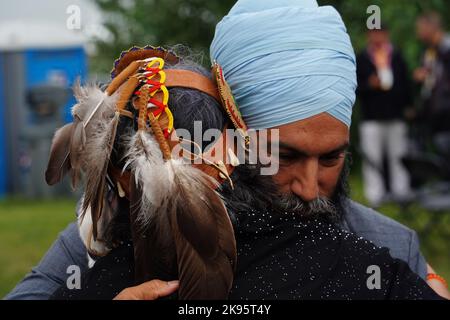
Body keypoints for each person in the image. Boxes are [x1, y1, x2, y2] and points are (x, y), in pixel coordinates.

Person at [5, 0, 449, 300]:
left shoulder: (390, 247)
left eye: (331, 158)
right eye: (284, 156)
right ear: (226, 138)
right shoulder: (111, 236)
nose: (311, 187)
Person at [356, 25, 413, 207]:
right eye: (373, 33)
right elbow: (356, 88)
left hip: (395, 114)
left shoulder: (395, 56)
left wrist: (408, 106)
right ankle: (375, 196)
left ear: (386, 34)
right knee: (372, 158)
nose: (377, 36)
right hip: (371, 116)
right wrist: (369, 85)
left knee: (399, 156)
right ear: (368, 35)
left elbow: (406, 83)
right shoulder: (363, 58)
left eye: (380, 32)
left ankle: (401, 192)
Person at [414, 11, 450, 137]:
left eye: (420, 28)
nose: (418, 33)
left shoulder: (446, 47)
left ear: (431, 27)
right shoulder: (429, 51)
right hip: (436, 114)